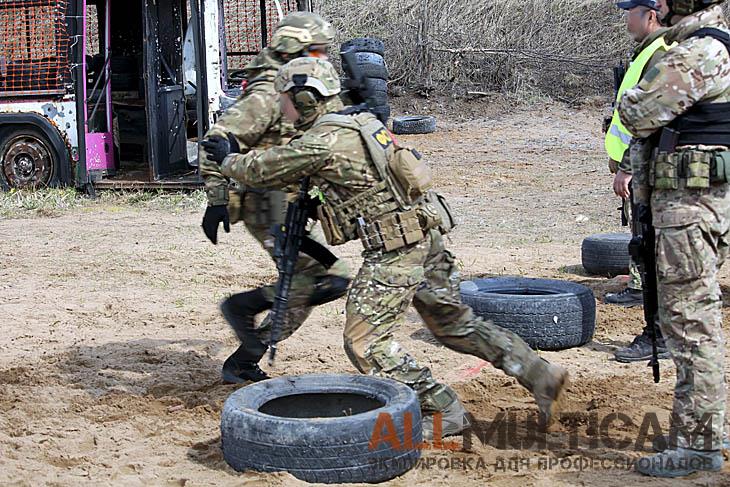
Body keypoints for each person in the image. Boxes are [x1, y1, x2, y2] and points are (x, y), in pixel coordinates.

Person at [211, 57, 569, 439]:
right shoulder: (361, 123)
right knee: (453, 325)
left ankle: (441, 406)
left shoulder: (323, 139)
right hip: (426, 237)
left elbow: (260, 170)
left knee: (364, 342)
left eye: (285, 99)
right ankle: (539, 374)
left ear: (305, 98)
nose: (282, 108)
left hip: (397, 248)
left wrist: (226, 156)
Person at [199, 12, 349, 384]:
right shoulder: (268, 92)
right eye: (318, 51)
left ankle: (247, 355)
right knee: (326, 279)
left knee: (310, 283)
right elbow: (216, 141)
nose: (324, 58)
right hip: (267, 206)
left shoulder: (304, 87)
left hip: (291, 203)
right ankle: (243, 311)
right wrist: (217, 200)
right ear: (294, 49)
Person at [618, 0, 730, 477]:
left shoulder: (698, 51)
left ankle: (700, 442)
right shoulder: (709, 45)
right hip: (699, 204)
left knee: (690, 322)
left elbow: (637, 113)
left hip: (690, 208)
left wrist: (635, 86)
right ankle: (706, 426)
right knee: (695, 317)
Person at [605, 0, 675, 364]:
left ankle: (659, 334)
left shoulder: (661, 54)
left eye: (630, 11)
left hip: (654, 170)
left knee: (656, 253)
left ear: (650, 14)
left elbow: (653, 120)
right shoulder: (648, 52)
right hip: (650, 167)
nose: (625, 18)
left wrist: (629, 167)